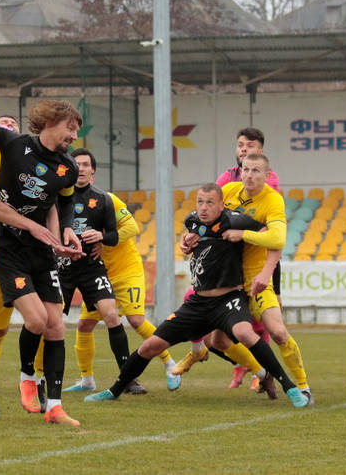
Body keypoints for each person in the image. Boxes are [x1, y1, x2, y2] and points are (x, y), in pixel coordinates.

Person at [84, 183, 308, 408]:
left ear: (222, 205)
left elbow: (275, 239)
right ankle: (114, 390)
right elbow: (197, 236)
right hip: (198, 303)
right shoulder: (192, 221)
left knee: (245, 333)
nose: (204, 208)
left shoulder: (235, 220)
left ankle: (290, 387)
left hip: (228, 299)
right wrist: (186, 241)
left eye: (210, 203)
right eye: (200, 202)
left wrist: (245, 239)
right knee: (150, 346)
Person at [0, 99, 85, 426]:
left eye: (76, 130)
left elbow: (65, 203)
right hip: (9, 249)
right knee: (37, 320)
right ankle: (27, 377)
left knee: (56, 325)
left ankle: (54, 406)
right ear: (51, 122)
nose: (74, 135)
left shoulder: (69, 168)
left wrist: (65, 233)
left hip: (41, 253)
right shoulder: (15, 145)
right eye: (70, 127)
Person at [62, 149, 180, 394]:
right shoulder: (64, 200)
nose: (81, 168)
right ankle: (86, 380)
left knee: (135, 320)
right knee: (84, 325)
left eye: (85, 164)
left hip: (126, 269)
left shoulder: (107, 199)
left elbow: (133, 227)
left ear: (93, 172)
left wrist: (102, 238)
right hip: (96, 273)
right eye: (77, 164)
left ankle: (169, 363)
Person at [175, 127, 282, 391]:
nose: (244, 150)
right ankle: (211, 354)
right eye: (240, 145)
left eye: (250, 146)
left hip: (256, 256)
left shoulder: (269, 180)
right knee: (200, 305)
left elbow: (264, 224)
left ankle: (259, 372)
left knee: (258, 322)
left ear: (261, 152)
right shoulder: (227, 177)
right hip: (228, 257)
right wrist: (190, 235)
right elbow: (211, 208)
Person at [211, 153, 313, 405]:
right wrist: (191, 237)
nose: (249, 175)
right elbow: (207, 220)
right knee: (216, 341)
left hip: (256, 279)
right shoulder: (229, 191)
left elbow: (278, 240)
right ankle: (262, 371)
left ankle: (303, 386)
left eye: (256, 171)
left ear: (267, 176)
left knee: (278, 332)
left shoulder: (273, 200)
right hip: (227, 280)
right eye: (246, 169)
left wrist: (243, 234)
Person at [0, 113, 47, 419]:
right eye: (1, 124)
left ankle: (38, 382)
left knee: (42, 323)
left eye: (12, 125)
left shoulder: (35, 164)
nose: (7, 128)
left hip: (34, 257)